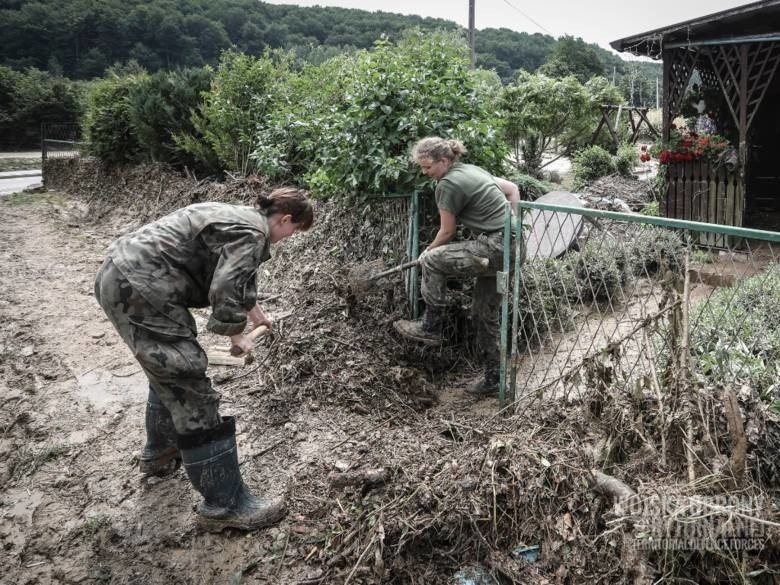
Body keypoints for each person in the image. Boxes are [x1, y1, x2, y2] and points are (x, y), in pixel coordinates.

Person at [94, 187, 313, 532]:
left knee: (167, 368)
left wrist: (257, 315)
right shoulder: (255, 234)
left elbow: (235, 275)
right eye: (294, 231)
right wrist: (236, 335)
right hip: (141, 287)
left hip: (122, 274)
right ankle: (225, 504)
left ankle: (162, 451)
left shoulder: (239, 218)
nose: (290, 238)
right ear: (286, 219)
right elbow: (226, 285)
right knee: (188, 379)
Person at [393, 137, 520, 397]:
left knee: (432, 259)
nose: (424, 172)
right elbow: (512, 189)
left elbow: (447, 232)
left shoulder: (448, 184)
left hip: (494, 249)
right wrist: (512, 223)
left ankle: (430, 326)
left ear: (444, 161)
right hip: (514, 248)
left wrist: (426, 253)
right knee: (483, 314)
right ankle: (494, 380)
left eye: (428, 167)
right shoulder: (472, 170)